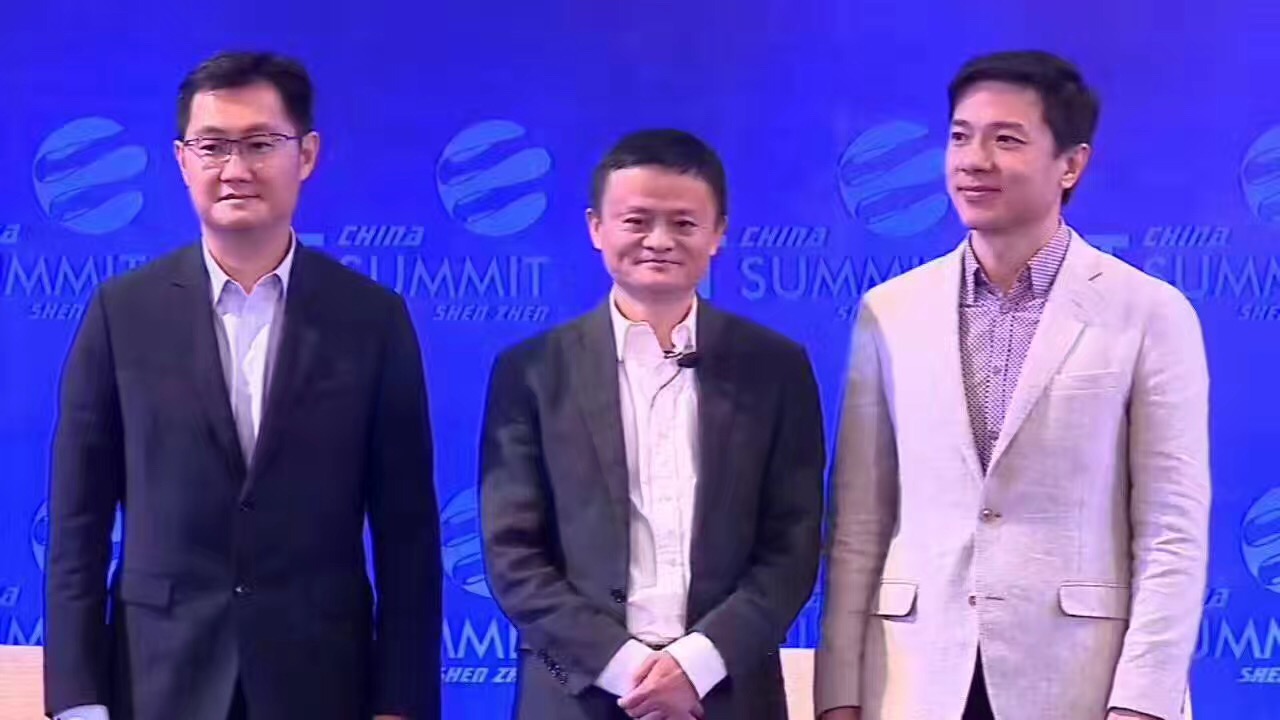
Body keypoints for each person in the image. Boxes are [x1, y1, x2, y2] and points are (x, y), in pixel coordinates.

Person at [45, 51, 441, 720]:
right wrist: (78, 700)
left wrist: (401, 702)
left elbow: (408, 533)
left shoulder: (372, 320)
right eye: (212, 146)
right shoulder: (123, 313)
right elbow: (76, 525)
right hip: (158, 682)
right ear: (182, 160)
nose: (235, 169)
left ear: (306, 155)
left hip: (320, 682)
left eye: (260, 144)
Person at [815, 50, 1210, 720]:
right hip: (916, 679)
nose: (974, 160)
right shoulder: (890, 311)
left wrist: (1143, 703)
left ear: (1071, 165)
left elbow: (1172, 530)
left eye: (1006, 140)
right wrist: (838, 696)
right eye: (961, 136)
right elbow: (858, 523)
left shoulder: (1148, 312)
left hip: (1077, 682)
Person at [480, 129, 825, 719]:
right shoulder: (531, 371)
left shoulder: (776, 368)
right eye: (637, 221)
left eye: (684, 223)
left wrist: (695, 666)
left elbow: (792, 547)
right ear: (596, 227)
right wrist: (628, 670)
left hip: (727, 695)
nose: (659, 241)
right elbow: (513, 554)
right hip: (577, 695)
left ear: (718, 232)